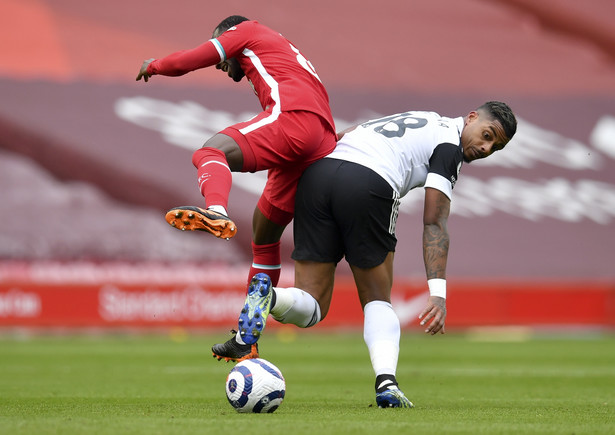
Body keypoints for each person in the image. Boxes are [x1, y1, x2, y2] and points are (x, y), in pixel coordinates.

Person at [212, 101, 518, 408]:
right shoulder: (449, 145)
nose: (485, 147)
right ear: (472, 118)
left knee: (313, 304)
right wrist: (438, 294)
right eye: (487, 135)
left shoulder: (422, 117)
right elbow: (434, 222)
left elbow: (349, 132)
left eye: (496, 147)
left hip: (318, 177)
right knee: (377, 298)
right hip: (370, 182)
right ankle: (387, 383)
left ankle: (271, 297)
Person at [136, 15, 336, 288]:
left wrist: (155, 66)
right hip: (323, 137)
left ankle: (216, 210)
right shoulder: (280, 48)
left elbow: (190, 60)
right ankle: (250, 327)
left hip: (295, 118)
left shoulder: (245, 31)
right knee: (265, 236)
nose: (220, 64)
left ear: (227, 34)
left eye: (220, 42)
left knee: (210, 152)